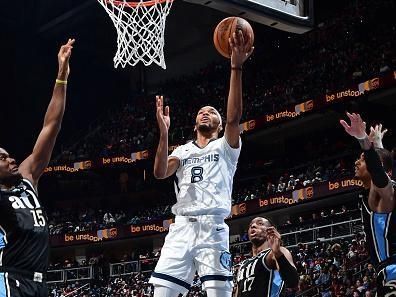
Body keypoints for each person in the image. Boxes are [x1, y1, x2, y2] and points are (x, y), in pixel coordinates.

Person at [149, 30, 254, 297]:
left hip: (212, 228)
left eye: (212, 112)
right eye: (201, 112)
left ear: (219, 124)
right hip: (181, 227)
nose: (205, 113)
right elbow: (160, 172)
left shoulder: (226, 146)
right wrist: (163, 134)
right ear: (195, 123)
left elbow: (234, 117)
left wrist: (236, 66)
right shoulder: (183, 150)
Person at [0, 38, 75, 297]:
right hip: (9, 279)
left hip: (40, 283)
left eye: (9, 156)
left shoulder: (27, 176)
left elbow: (51, 126)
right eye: (2, 158)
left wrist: (61, 77)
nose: (11, 160)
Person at [340, 112, 396, 296]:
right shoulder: (377, 193)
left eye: (363, 158)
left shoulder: (382, 194)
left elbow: (380, 175)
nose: (357, 162)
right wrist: (377, 146)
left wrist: (363, 139)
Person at [235, 217, 298, 297]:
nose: (253, 226)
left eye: (260, 223)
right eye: (251, 225)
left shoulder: (276, 253)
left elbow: (293, 282)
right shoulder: (243, 264)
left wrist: (277, 253)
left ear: (270, 230)